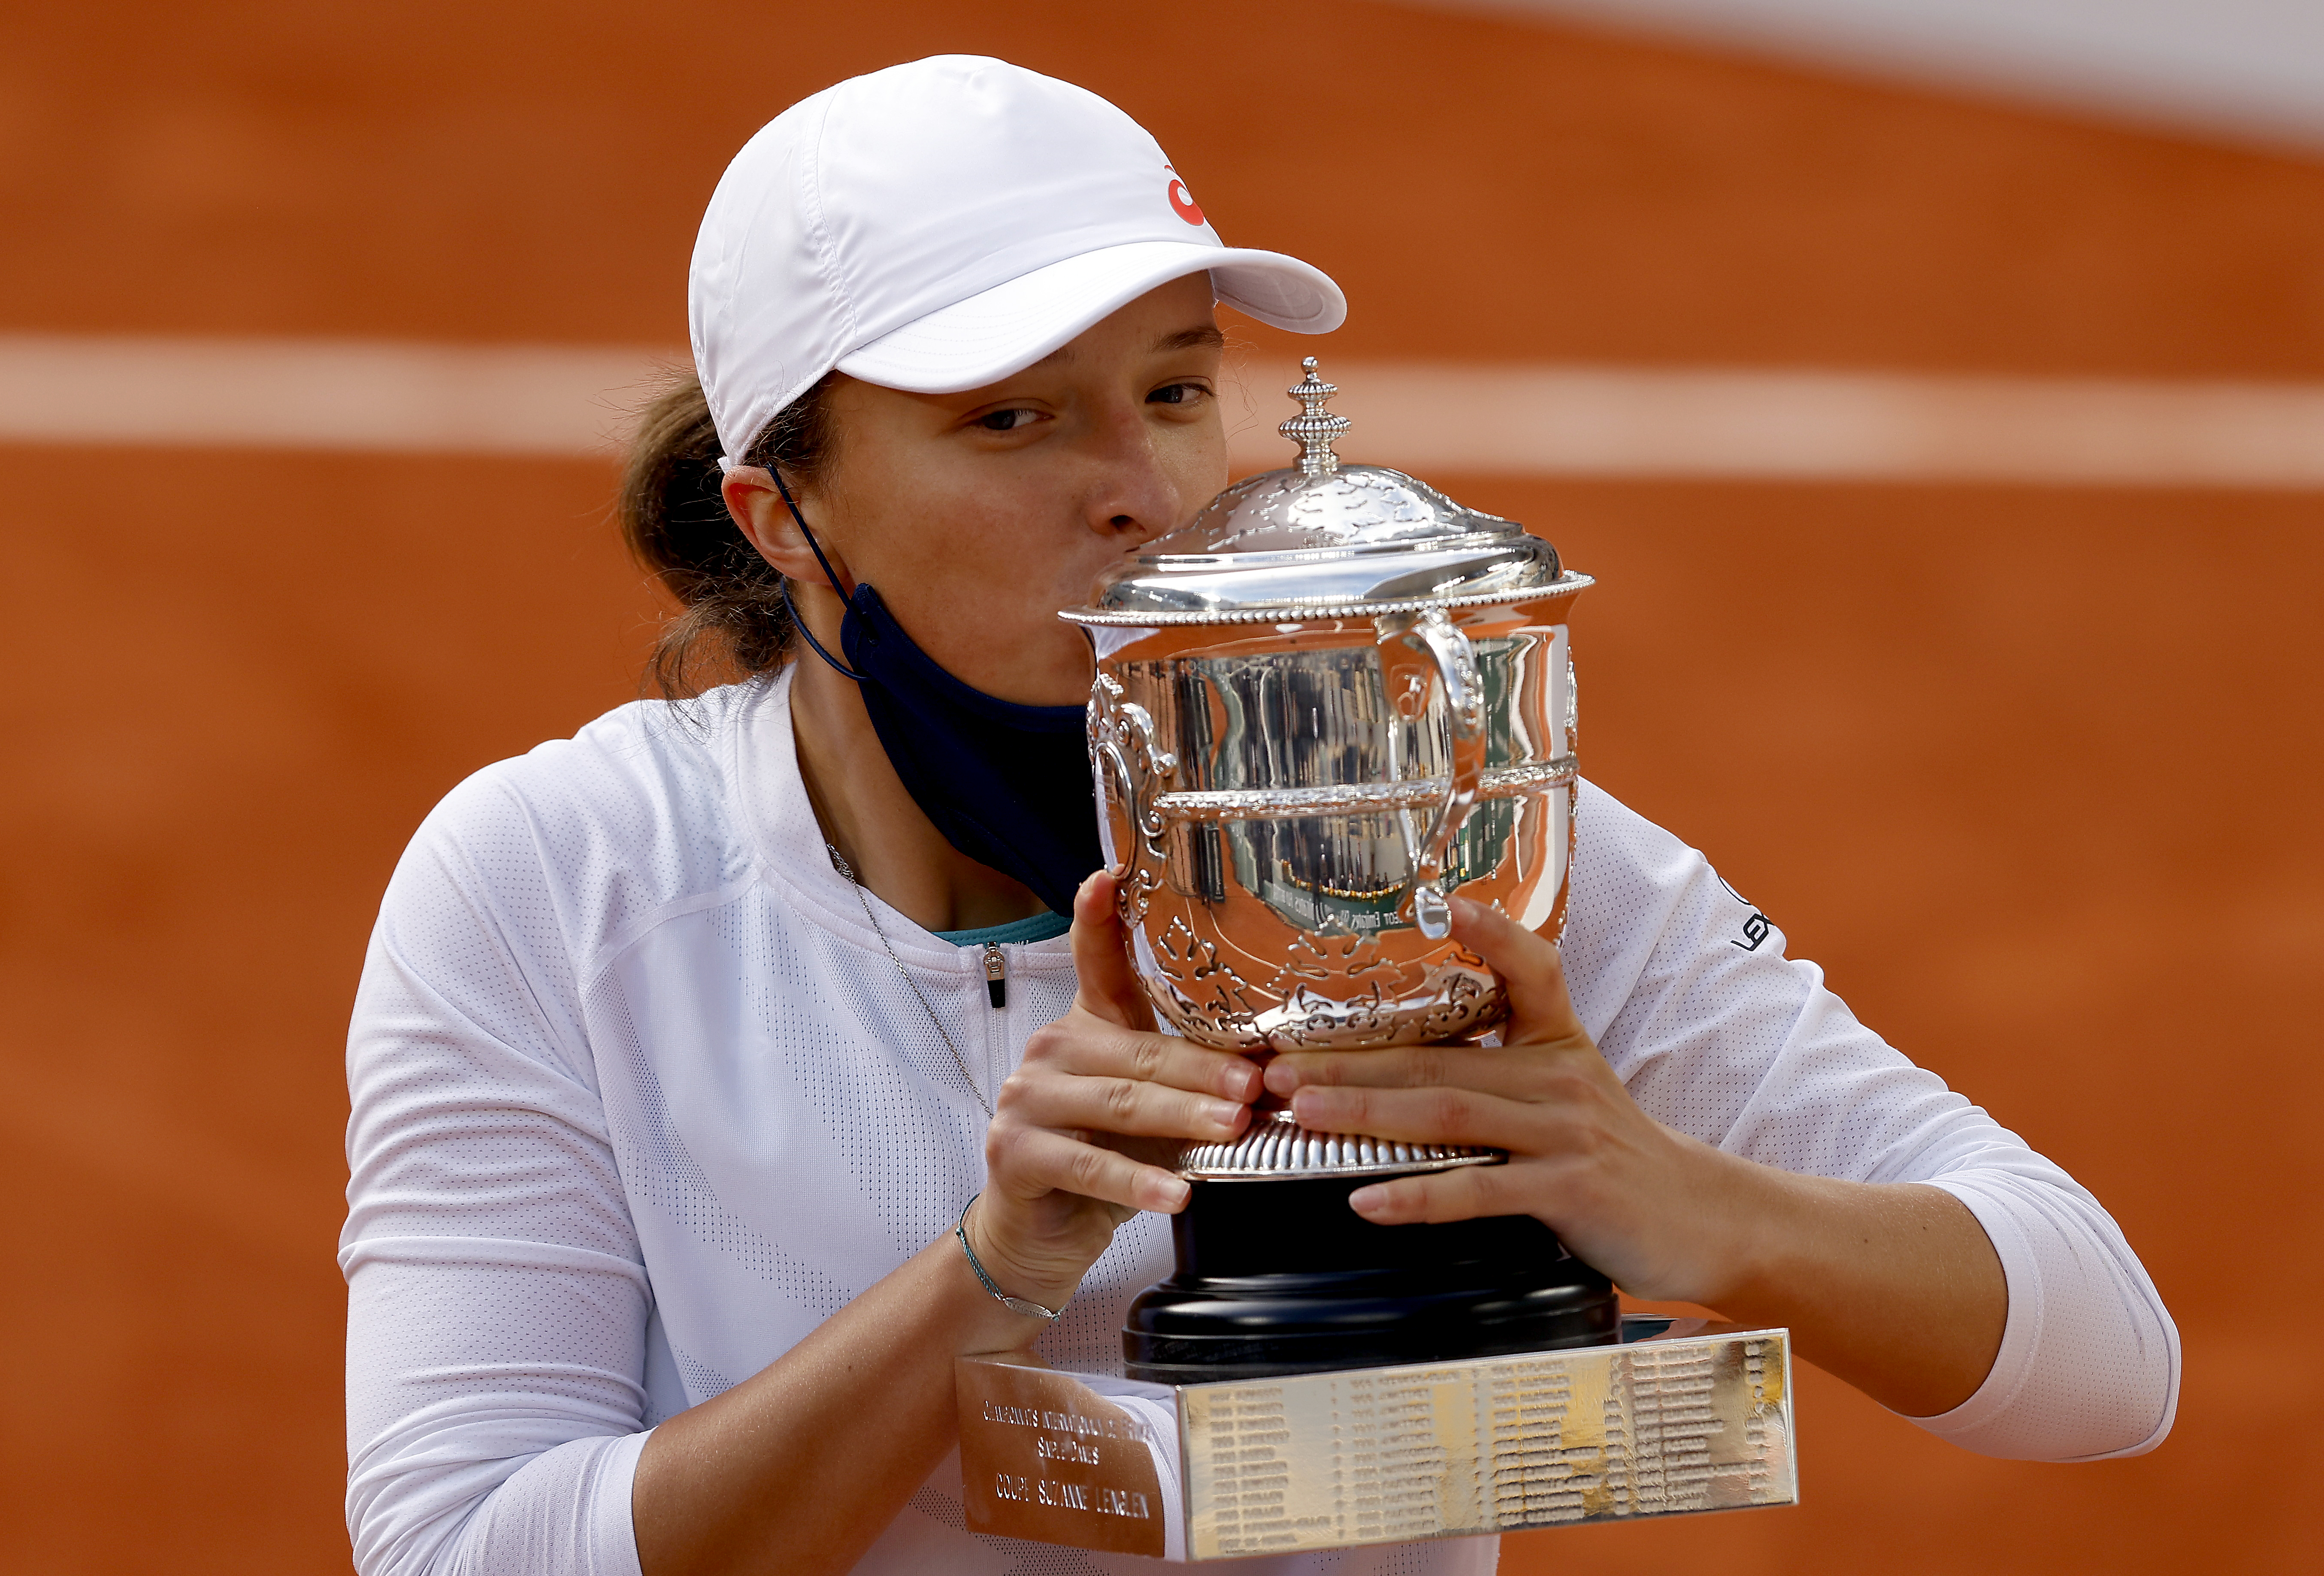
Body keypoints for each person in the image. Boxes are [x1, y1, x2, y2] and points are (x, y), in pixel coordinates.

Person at [341, 54, 2177, 1576]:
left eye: (1171, 390)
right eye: (1010, 422)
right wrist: (992, 1275)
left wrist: (1690, 1206)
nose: (1144, 492)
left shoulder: (1452, 835)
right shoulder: (564, 883)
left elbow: (2104, 1360)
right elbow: (453, 1548)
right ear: (779, 521)